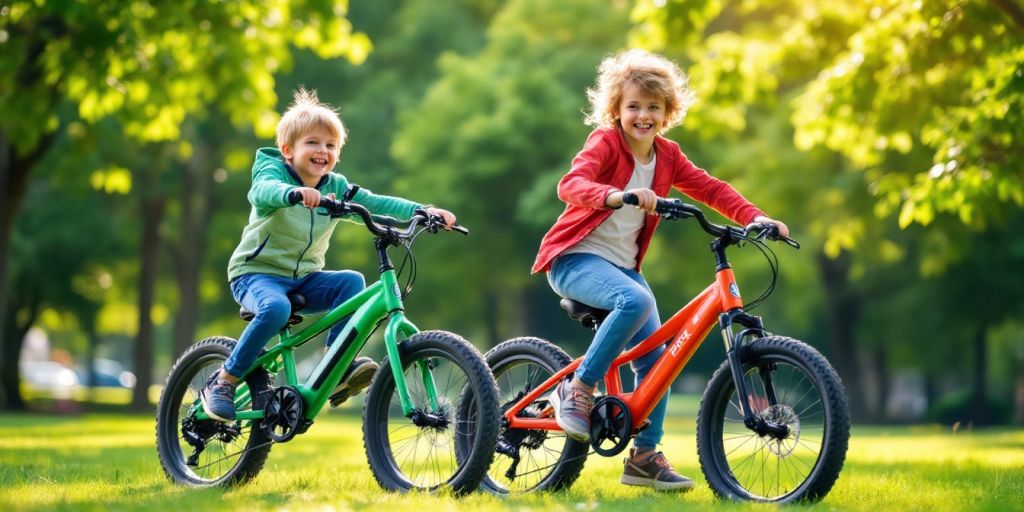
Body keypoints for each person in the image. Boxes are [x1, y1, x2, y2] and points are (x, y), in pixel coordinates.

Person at [532, 49, 788, 492]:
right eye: (633, 106)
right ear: (617, 110)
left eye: (653, 108)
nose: (643, 116)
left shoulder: (667, 157)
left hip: (622, 267)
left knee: (660, 361)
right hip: (574, 257)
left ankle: (645, 457)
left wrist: (754, 217)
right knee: (636, 300)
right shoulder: (605, 143)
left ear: (668, 113)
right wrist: (616, 196)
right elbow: (570, 185)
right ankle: (580, 388)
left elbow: (710, 188)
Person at [202, 88, 456, 422]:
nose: (323, 151)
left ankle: (337, 366)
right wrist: (292, 193)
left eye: (330, 146)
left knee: (351, 282)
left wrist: (422, 210)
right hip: (255, 275)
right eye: (313, 143)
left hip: (304, 279)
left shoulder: (334, 186)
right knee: (275, 308)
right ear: (287, 150)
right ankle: (224, 381)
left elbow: (375, 202)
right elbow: (262, 191)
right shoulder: (273, 172)